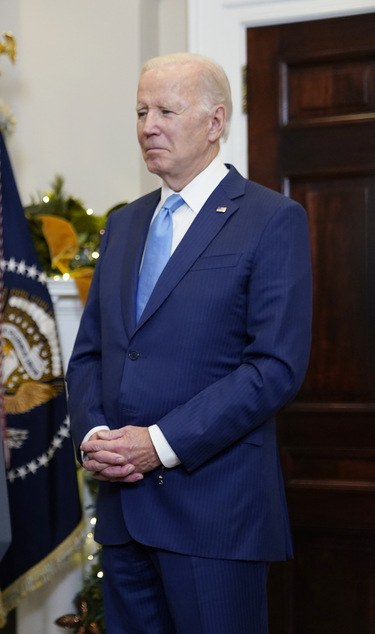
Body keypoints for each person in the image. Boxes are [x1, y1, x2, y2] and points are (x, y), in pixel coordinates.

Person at [66, 53, 312, 633]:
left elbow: (274, 366)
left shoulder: (272, 219)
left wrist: (160, 442)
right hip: (125, 514)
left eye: (167, 110)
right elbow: (93, 354)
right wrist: (95, 435)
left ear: (215, 121)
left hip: (215, 517)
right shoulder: (125, 224)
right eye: (141, 111)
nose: (148, 125)